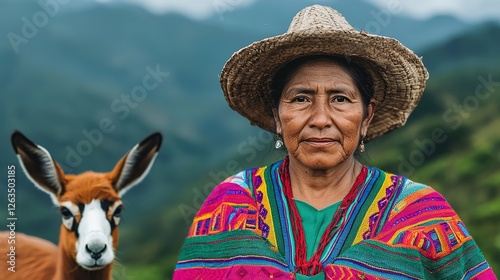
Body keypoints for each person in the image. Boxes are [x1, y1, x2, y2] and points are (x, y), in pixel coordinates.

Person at [173, 5, 496, 279]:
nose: (320, 118)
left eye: (340, 99)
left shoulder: (419, 214)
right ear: (276, 115)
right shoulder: (232, 204)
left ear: (367, 116)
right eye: (301, 98)